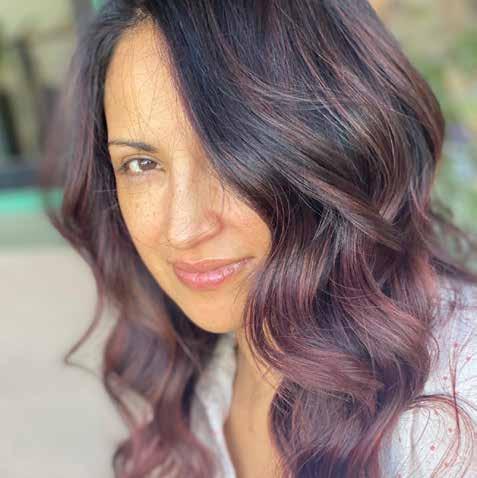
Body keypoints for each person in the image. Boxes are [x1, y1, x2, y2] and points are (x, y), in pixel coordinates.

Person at [43, 1, 477, 477]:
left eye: (228, 156)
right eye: (142, 164)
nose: (183, 230)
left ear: (342, 147)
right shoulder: (194, 375)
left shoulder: (456, 396)